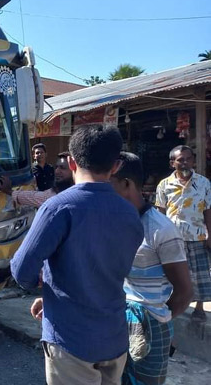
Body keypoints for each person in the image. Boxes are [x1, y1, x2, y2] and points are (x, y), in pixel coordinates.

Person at [10, 125, 144, 385]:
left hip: (70, 337)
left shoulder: (58, 207)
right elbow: (104, 267)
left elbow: (21, 269)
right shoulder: (130, 214)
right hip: (114, 336)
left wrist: (44, 287)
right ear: (116, 166)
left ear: (71, 162)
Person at [109, 152, 193, 385]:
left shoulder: (161, 230)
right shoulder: (114, 223)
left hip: (152, 324)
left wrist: (156, 320)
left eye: (108, 184)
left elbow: (184, 292)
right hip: (117, 322)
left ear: (126, 184)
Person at [155, 145, 211, 322]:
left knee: (199, 274)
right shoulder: (164, 185)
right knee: (173, 274)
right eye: (180, 160)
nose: (185, 162)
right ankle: (173, 305)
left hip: (197, 235)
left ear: (193, 161)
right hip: (173, 238)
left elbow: (208, 211)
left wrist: (210, 235)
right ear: (173, 163)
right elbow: (160, 213)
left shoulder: (203, 183)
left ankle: (199, 308)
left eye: (188, 159)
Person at [0, 151, 74, 208]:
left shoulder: (73, 194)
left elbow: (38, 197)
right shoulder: (32, 170)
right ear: (33, 155)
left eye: (62, 168)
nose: (57, 171)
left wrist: (9, 191)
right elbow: (37, 196)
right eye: (56, 167)